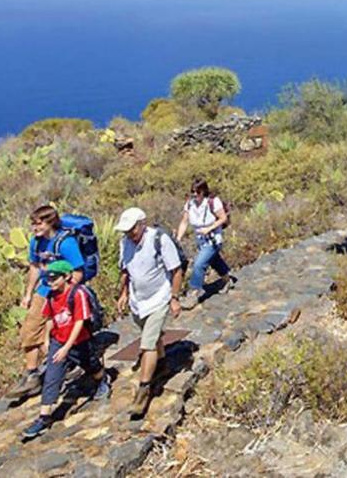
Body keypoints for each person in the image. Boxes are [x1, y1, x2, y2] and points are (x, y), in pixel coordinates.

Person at [20, 260, 110, 441]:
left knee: (92, 366)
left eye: (54, 278)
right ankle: (44, 417)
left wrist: (68, 346)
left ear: (66, 277)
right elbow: (49, 318)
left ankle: (102, 380)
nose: (51, 283)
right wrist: (47, 340)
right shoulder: (52, 297)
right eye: (48, 279)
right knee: (52, 377)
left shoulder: (76, 295)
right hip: (59, 342)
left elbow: (79, 322)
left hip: (80, 342)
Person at [114, 206, 184, 419]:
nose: (129, 235)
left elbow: (176, 270)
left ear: (142, 224)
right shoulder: (124, 243)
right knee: (151, 336)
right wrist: (124, 293)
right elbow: (126, 270)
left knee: (147, 344)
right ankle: (161, 365)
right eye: (126, 231)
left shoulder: (159, 240)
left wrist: (173, 298)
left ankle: (144, 390)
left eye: (132, 230)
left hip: (159, 297)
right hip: (138, 301)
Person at [11, 204, 85, 400]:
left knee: (60, 331)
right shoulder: (36, 243)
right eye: (33, 224)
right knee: (30, 329)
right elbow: (35, 267)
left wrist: (67, 293)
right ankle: (32, 374)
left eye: (39, 224)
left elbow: (78, 270)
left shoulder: (66, 243)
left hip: (63, 292)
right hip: (43, 290)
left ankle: (68, 364)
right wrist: (28, 294)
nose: (35, 228)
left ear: (50, 222)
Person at [175, 179, 235, 308]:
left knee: (199, 264)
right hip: (201, 241)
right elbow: (184, 222)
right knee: (214, 261)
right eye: (192, 193)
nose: (194, 196)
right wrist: (178, 238)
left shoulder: (213, 202)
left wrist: (209, 228)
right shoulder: (190, 204)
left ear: (203, 192)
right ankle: (227, 280)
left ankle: (194, 293)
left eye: (196, 193)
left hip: (213, 240)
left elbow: (222, 218)